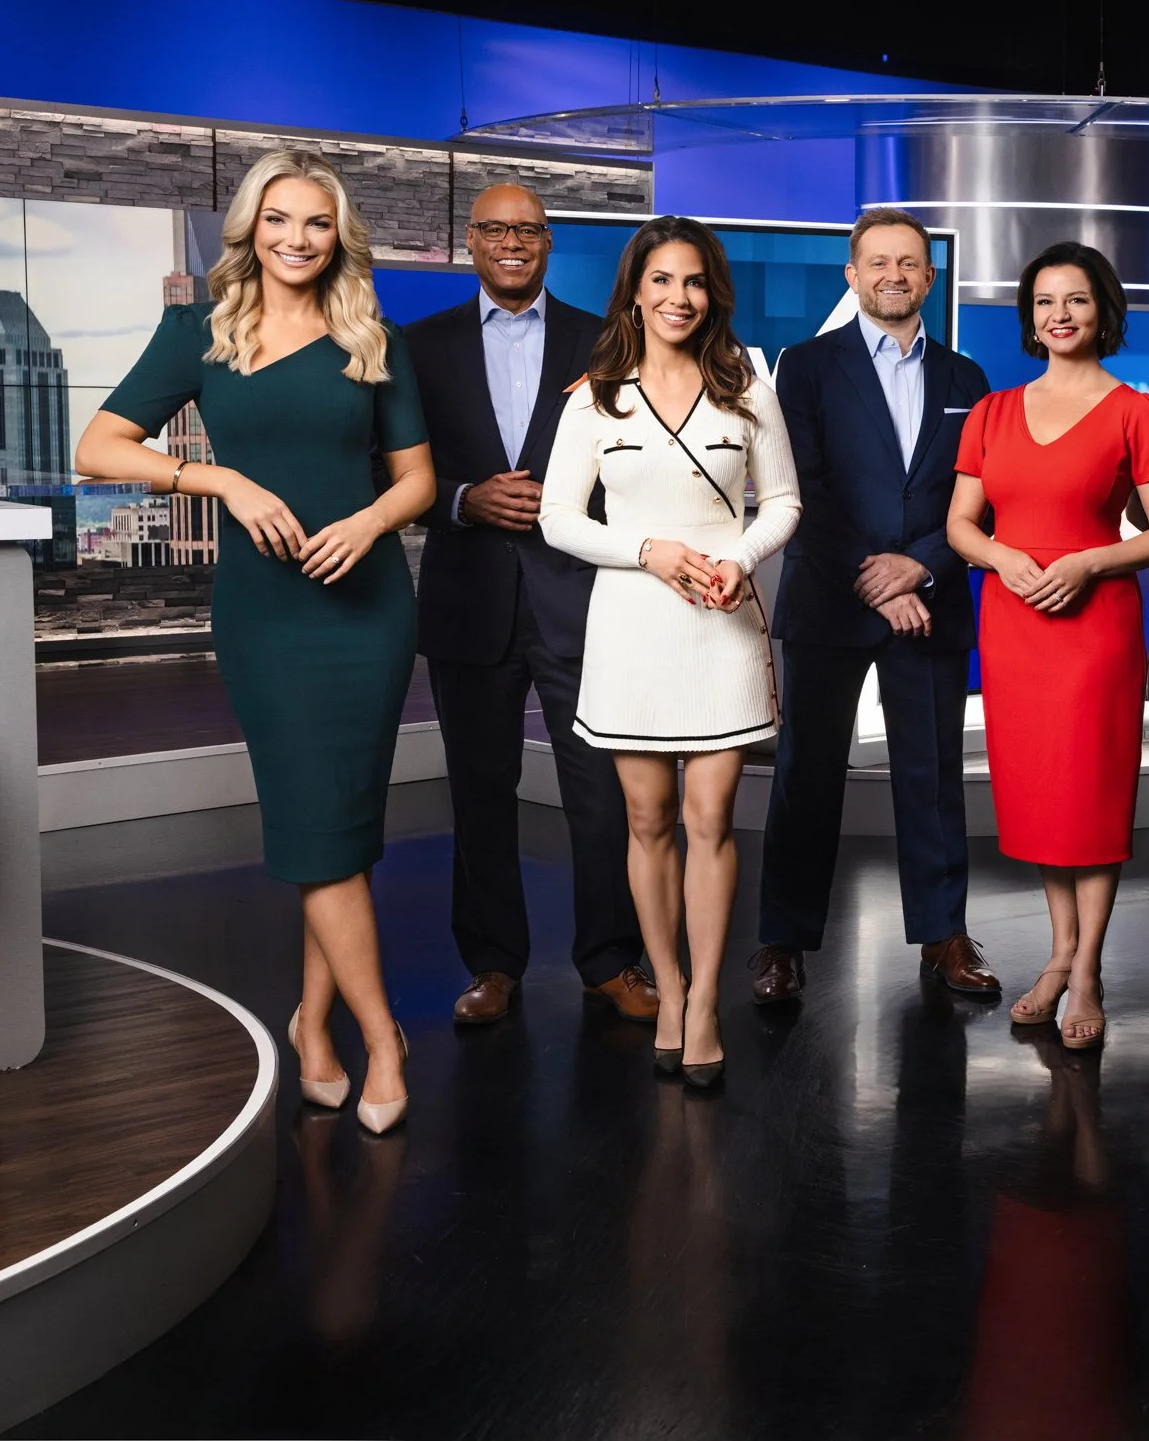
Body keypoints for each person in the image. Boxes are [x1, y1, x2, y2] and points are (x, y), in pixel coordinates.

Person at [77, 148, 434, 1134]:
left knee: (343, 827)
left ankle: (314, 1024)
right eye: (279, 218)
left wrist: (368, 524)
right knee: (317, 822)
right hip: (267, 618)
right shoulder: (199, 330)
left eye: (317, 222)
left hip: (367, 611)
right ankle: (385, 1033)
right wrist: (219, 481)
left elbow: (416, 479)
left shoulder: (373, 337)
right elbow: (98, 445)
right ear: (251, 224)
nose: (297, 238)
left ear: (338, 232)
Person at [538, 216, 801, 1087]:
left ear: (711, 292)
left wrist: (741, 558)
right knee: (647, 820)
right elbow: (558, 518)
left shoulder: (749, 383)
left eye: (693, 282)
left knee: (709, 819)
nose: (678, 297)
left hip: (721, 624)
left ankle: (706, 1003)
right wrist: (646, 550)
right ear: (636, 291)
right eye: (661, 281)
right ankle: (673, 982)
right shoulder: (594, 396)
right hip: (632, 627)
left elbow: (785, 503)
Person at [405, 184, 654, 1028]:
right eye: (495, 229)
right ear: (469, 240)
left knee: (600, 793)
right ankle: (493, 964)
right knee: (480, 791)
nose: (512, 242)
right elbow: (382, 465)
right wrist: (462, 497)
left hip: (582, 600)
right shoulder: (422, 346)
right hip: (468, 600)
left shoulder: (603, 342)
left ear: (547, 243)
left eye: (528, 231)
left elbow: (637, 465)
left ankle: (611, 961)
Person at [751, 208, 997, 1007]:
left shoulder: (967, 379)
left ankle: (943, 936)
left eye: (910, 263)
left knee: (931, 781)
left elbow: (981, 499)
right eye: (878, 262)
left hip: (927, 597)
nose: (895, 274)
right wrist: (874, 580)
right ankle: (783, 943)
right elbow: (804, 490)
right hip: (831, 598)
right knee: (806, 777)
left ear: (929, 278)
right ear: (852, 275)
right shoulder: (808, 365)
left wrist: (917, 567)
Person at [946, 242, 1149, 1049]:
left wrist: (1087, 559)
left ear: (1102, 311)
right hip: (1015, 624)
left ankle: (1086, 970)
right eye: (1046, 301)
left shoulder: (1137, 413)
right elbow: (959, 524)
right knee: (1046, 796)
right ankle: (1058, 953)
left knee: (1090, 794)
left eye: (1077, 300)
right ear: (1030, 316)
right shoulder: (992, 411)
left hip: (1096, 627)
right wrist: (1002, 554)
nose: (1060, 314)